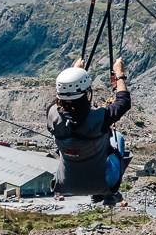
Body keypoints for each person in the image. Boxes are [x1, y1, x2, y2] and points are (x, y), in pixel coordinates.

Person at [49, 56, 130, 203]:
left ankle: (101, 193)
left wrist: (75, 72)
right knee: (117, 136)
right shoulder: (99, 118)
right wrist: (119, 74)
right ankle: (108, 194)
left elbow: (59, 103)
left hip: (65, 182)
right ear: (87, 93)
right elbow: (123, 102)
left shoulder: (52, 115)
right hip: (103, 183)